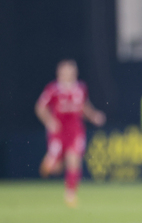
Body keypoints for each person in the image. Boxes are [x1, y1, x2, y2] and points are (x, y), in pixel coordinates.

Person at [35, 60, 106, 207]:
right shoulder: (53, 89)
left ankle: (70, 195)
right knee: (56, 167)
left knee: (74, 160)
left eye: (72, 71)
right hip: (59, 131)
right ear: (59, 73)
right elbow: (40, 107)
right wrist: (49, 121)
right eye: (66, 71)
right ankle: (49, 162)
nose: (69, 73)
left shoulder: (81, 88)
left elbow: (84, 106)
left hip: (75, 130)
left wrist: (94, 116)